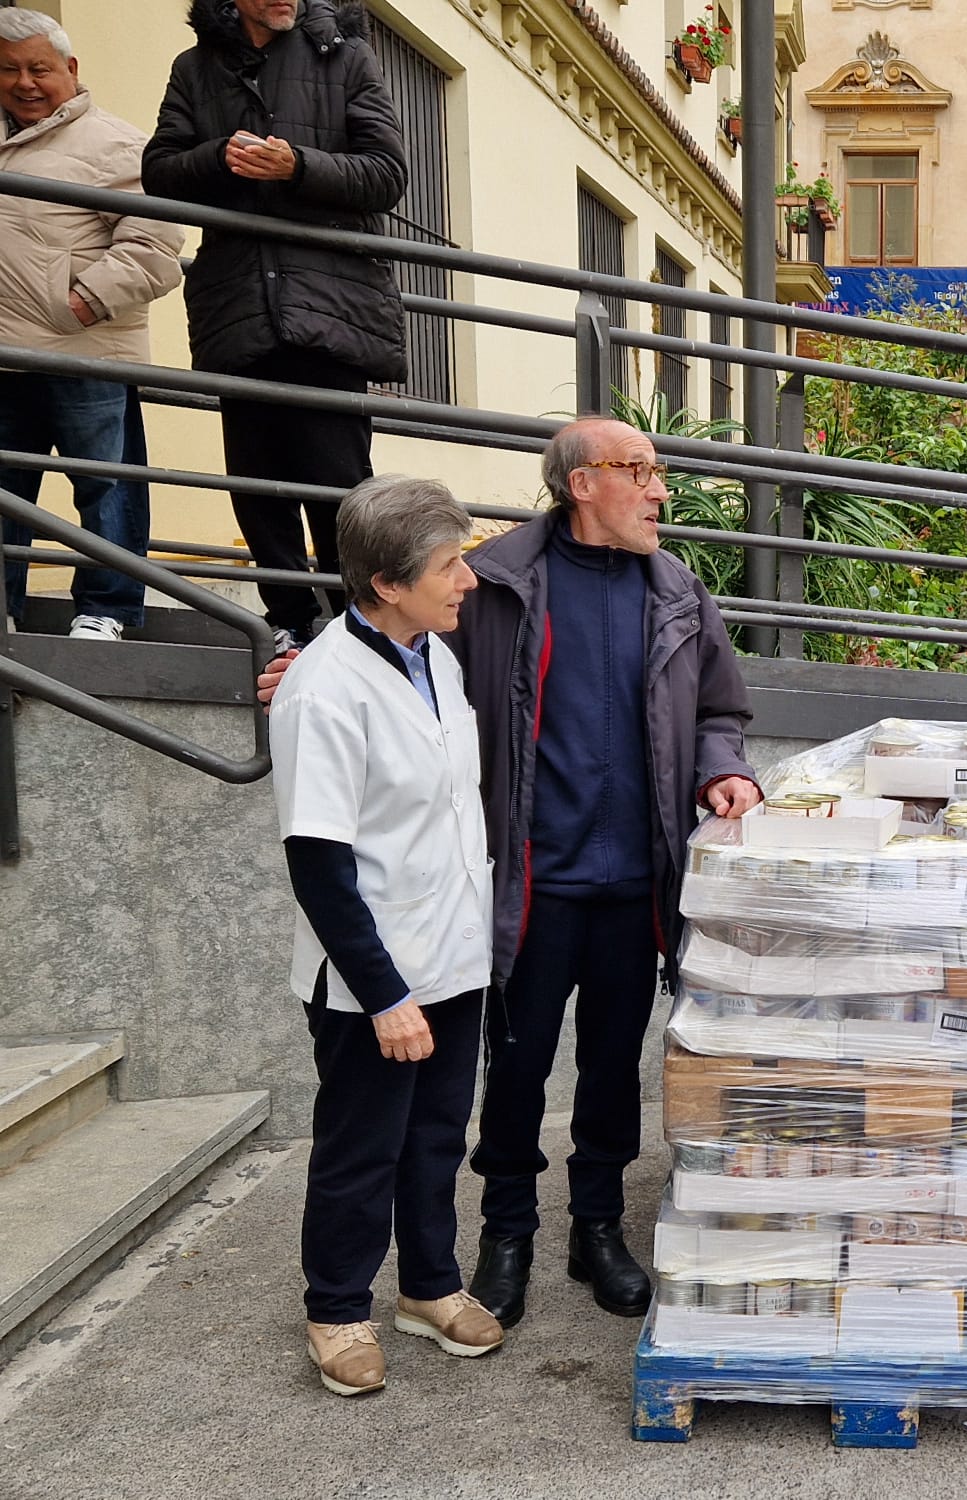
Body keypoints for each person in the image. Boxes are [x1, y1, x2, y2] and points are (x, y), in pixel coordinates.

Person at [262, 421, 763, 1325]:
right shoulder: (492, 584)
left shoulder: (681, 593)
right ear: (582, 483)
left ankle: (599, 1228)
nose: (661, 491)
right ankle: (505, 1232)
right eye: (641, 472)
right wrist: (305, 666)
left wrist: (723, 769)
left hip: (636, 887)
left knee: (613, 1070)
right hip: (522, 886)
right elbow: (394, 654)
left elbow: (721, 710)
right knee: (515, 1071)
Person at [270, 474, 502, 1397]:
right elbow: (319, 868)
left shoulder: (431, 654)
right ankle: (336, 1310)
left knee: (438, 1133)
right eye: (451, 566)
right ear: (386, 583)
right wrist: (387, 995)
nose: (468, 582)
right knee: (361, 1147)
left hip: (452, 949)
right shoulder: (324, 692)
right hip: (376, 974)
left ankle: (429, 1288)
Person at [144, 0, 408, 652]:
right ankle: (288, 621)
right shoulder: (193, 68)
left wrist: (298, 165)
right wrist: (217, 156)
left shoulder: (346, 55)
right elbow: (159, 173)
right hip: (239, 309)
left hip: (331, 307)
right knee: (256, 481)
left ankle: (360, 625)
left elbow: (387, 174)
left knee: (339, 486)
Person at [0, 9, 183, 641]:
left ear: (71, 71)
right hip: (5, 356)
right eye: (8, 69)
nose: (24, 82)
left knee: (107, 488)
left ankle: (106, 611)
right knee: (4, 492)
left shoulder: (116, 142)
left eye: (39, 68)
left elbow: (156, 246)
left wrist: (81, 301)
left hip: (86, 352)